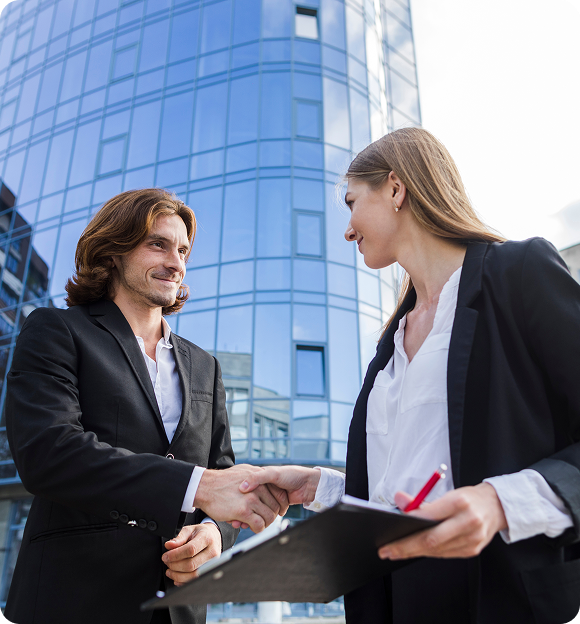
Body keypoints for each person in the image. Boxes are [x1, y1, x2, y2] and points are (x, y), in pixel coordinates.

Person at [240, 128, 580, 624]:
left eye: (353, 202)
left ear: (396, 189)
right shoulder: (391, 341)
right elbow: (407, 483)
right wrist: (320, 486)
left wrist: (501, 502)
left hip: (504, 598)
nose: (348, 229)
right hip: (396, 602)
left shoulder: (518, 273)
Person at [5, 189, 287, 624]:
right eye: (158, 244)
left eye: (183, 250)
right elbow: (50, 453)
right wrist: (197, 486)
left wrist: (213, 534)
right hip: (75, 603)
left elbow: (224, 479)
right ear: (112, 250)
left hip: (179, 609)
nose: (176, 263)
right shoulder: (56, 331)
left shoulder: (205, 367)